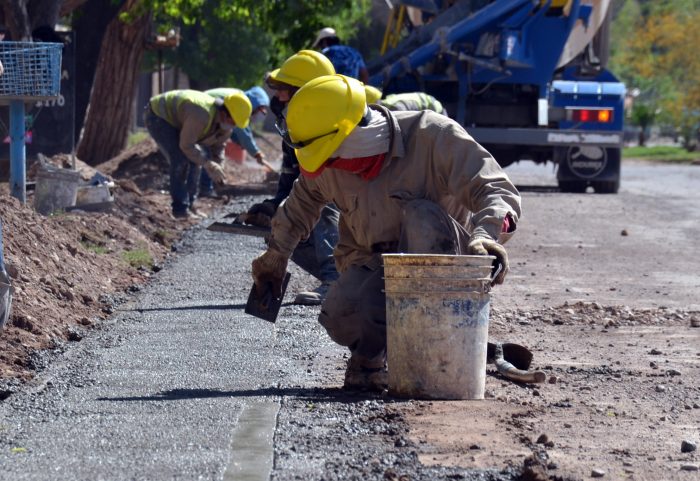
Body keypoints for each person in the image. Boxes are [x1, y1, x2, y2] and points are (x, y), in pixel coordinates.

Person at [251, 74, 521, 391]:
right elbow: (300, 204)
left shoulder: (432, 136)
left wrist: (487, 234)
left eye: (330, 158)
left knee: (421, 216)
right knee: (339, 315)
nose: (324, 168)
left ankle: (438, 349)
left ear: (352, 139)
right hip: (378, 265)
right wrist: (276, 254)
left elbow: (497, 190)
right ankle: (370, 359)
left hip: (446, 267)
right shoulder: (328, 160)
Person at [245, 50, 340, 306]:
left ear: (305, 93)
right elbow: (291, 178)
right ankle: (352, 283)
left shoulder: (334, 125)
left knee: (322, 204)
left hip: (368, 217)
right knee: (280, 225)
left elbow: (323, 188)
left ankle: (336, 281)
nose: (277, 97)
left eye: (282, 89)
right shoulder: (294, 125)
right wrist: (275, 206)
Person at [144, 89, 252, 219]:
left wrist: (218, 167)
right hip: (159, 115)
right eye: (233, 122)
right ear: (224, 114)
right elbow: (186, 145)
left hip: (182, 118)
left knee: (196, 160)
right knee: (180, 160)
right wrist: (207, 163)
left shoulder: (226, 126)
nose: (233, 126)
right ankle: (180, 209)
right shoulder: (201, 115)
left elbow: (218, 147)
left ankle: (190, 205)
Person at [201, 86, 271, 197]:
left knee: (211, 153)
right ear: (255, 103)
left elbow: (236, 131)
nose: (261, 113)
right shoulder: (239, 103)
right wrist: (256, 153)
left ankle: (210, 185)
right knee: (207, 153)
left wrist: (241, 142)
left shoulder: (240, 99)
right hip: (203, 118)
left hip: (209, 120)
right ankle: (205, 189)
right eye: (260, 109)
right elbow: (243, 133)